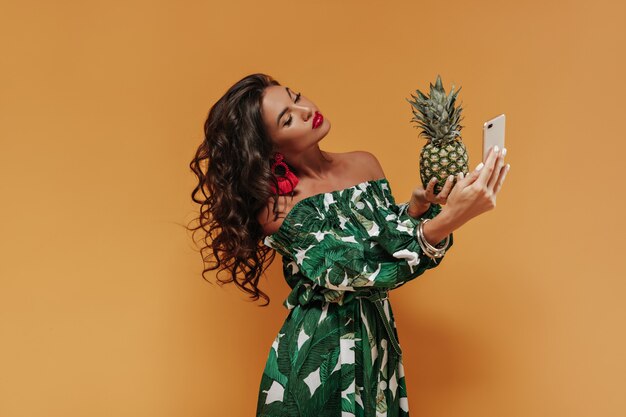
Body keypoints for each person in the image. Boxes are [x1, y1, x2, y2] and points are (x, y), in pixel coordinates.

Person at [188, 73, 510, 416]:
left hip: (377, 349)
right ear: (270, 148)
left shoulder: (363, 163)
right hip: (319, 361)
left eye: (296, 97)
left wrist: (416, 209)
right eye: (287, 118)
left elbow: (383, 239)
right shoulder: (278, 207)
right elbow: (361, 269)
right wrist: (453, 218)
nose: (305, 110)